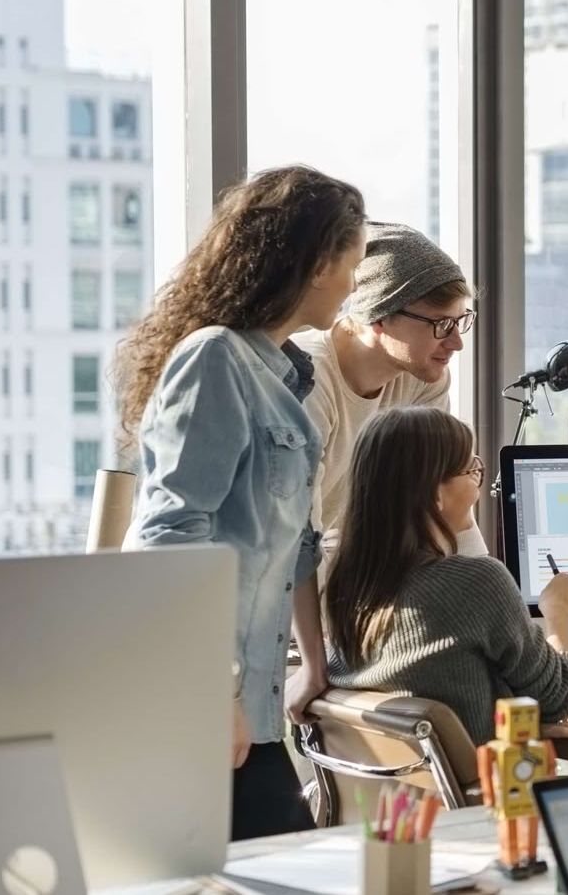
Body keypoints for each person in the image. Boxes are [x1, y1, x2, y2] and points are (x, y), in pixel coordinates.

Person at [117, 165, 366, 839]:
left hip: (254, 709)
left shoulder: (289, 375)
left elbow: (299, 546)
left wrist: (314, 666)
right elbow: (170, 537)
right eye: (352, 262)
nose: (353, 283)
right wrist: (212, 691)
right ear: (318, 264)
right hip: (202, 705)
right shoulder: (215, 359)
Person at [321, 406, 568, 745]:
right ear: (436, 494)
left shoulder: (345, 588)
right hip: (477, 795)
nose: (478, 484)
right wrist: (558, 612)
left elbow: (440, 682)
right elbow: (558, 699)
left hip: (402, 796)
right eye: (471, 471)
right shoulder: (476, 582)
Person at [292, 221, 485, 570]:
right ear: (379, 316)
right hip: (292, 583)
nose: (456, 342)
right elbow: (298, 537)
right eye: (442, 324)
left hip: (359, 568)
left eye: (462, 322)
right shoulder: (307, 380)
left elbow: (450, 497)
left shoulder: (425, 376)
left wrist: (495, 594)